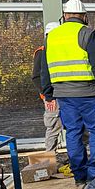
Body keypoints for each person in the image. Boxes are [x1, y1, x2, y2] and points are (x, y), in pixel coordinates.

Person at [40, 0, 95, 185]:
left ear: (64, 16)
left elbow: (44, 69)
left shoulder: (51, 37)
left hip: (64, 95)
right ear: (84, 16)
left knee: (72, 132)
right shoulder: (88, 34)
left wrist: (48, 93)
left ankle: (79, 175)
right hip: (89, 94)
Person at [31, 22, 63, 152]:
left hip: (65, 93)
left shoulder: (62, 50)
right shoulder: (42, 52)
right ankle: (50, 160)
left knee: (76, 126)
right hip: (52, 96)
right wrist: (48, 97)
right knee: (53, 127)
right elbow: (36, 77)